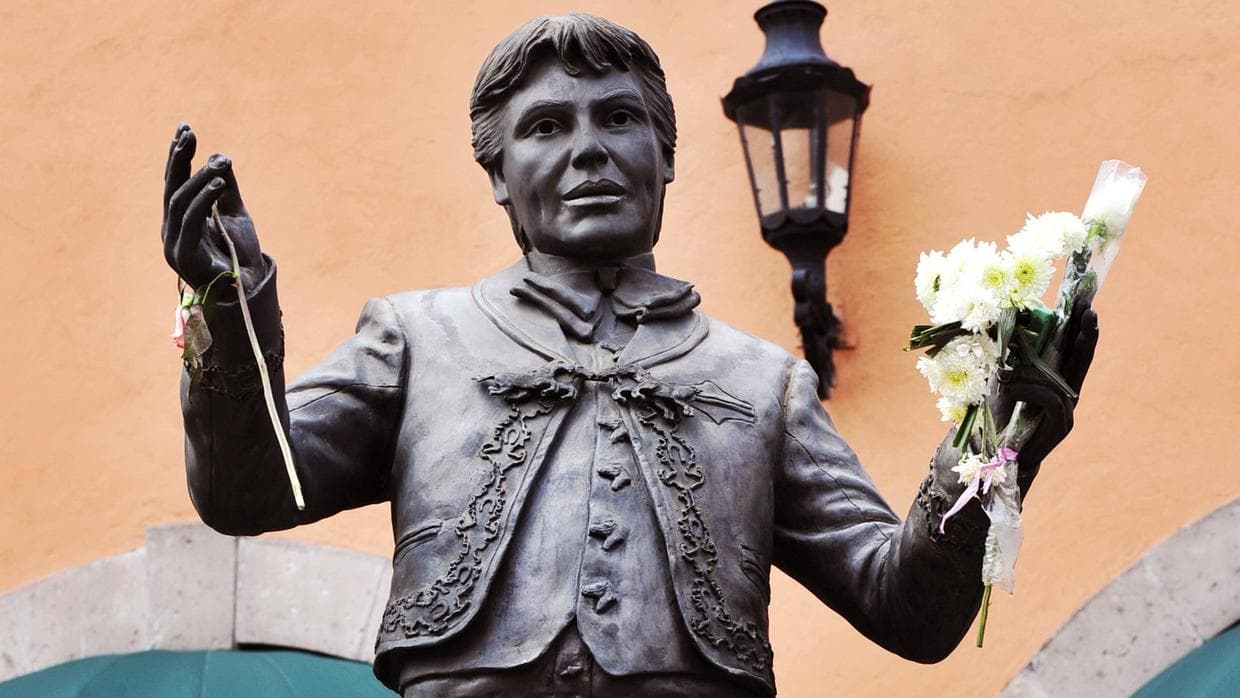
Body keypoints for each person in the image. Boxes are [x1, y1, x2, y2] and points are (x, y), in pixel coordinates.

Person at [160, 13, 1096, 697]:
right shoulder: (417, 339)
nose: (589, 150)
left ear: (666, 155)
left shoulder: (761, 382)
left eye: (618, 119)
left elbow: (911, 611)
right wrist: (229, 306)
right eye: (545, 127)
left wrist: (996, 439)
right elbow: (248, 490)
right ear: (496, 174)